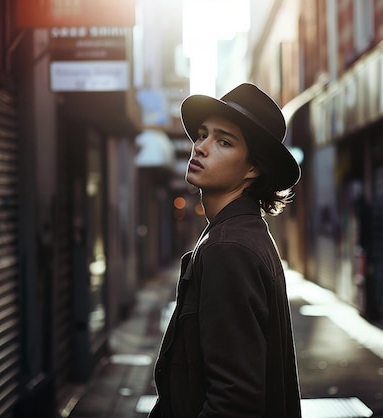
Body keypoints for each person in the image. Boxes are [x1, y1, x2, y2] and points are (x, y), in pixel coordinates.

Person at [149, 83, 302, 418]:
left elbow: (234, 400)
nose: (200, 147)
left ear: (253, 168)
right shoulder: (237, 234)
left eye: (223, 141)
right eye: (202, 134)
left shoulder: (228, 249)